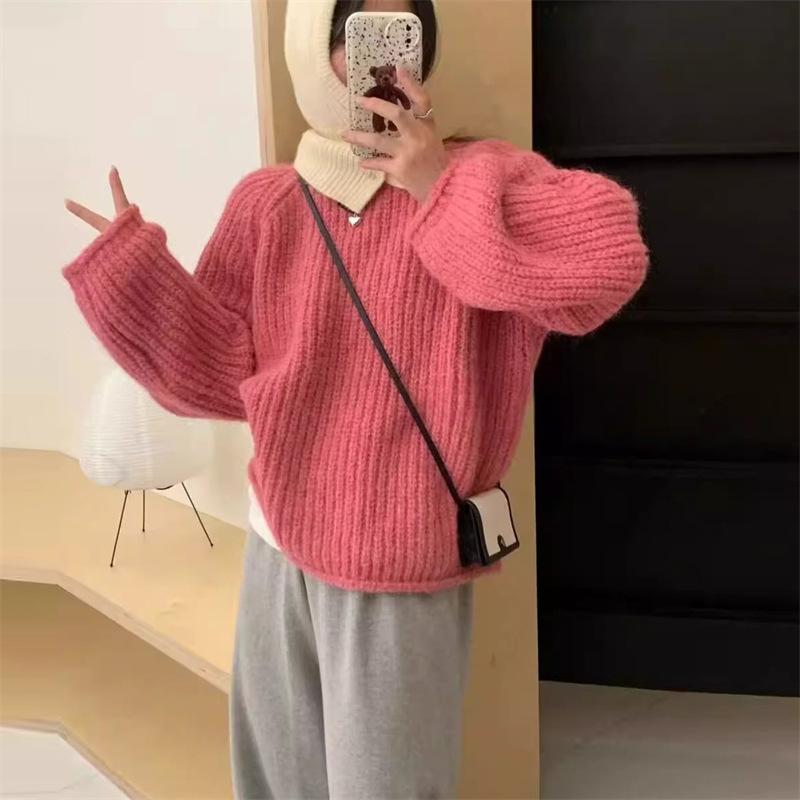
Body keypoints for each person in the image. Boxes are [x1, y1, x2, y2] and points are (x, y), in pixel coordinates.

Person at [60, 0, 651, 796]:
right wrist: (130, 274)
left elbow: (608, 264)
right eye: (351, 36)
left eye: (401, 35)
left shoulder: (485, 176)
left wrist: (436, 185)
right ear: (310, 48)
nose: (378, 60)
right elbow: (220, 375)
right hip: (277, 545)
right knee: (275, 783)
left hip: (397, 562)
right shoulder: (268, 203)